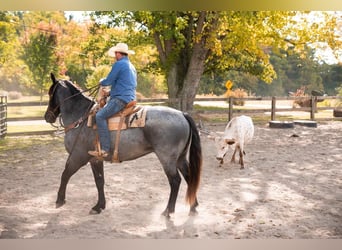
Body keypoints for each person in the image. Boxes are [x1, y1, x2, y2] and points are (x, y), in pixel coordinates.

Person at [88, 43, 137, 158]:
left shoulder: (119, 64)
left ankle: (105, 149)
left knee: (100, 116)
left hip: (120, 99)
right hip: (129, 97)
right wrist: (110, 93)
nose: (115, 56)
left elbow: (108, 80)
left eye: (115, 53)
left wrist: (101, 81)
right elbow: (124, 84)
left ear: (119, 54)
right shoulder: (131, 66)